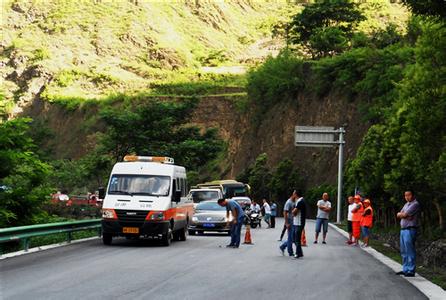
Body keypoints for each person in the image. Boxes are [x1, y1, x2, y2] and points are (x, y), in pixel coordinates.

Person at [396, 190, 420, 277]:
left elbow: (404, 215)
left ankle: (411, 270)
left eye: (409, 195)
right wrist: (403, 215)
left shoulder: (415, 204)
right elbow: (399, 214)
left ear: (412, 195)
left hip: (410, 229)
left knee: (409, 250)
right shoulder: (406, 204)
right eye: (405, 195)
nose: (407, 197)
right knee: (403, 251)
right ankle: (405, 269)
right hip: (403, 229)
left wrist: (403, 215)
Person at [279, 190, 298, 256]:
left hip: (294, 221)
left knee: (293, 237)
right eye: (295, 194)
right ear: (293, 195)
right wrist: (286, 223)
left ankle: (283, 246)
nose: (296, 196)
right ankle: (290, 252)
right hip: (290, 221)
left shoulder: (295, 201)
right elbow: (284, 212)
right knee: (290, 237)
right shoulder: (288, 202)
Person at [292, 190, 306, 259]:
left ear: (296, 194)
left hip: (299, 223)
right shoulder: (298, 201)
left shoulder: (301, 201)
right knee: (294, 239)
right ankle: (300, 252)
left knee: (297, 239)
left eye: (293, 194)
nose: (293, 195)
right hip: (296, 222)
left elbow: (294, 212)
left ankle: (298, 253)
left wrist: (293, 211)